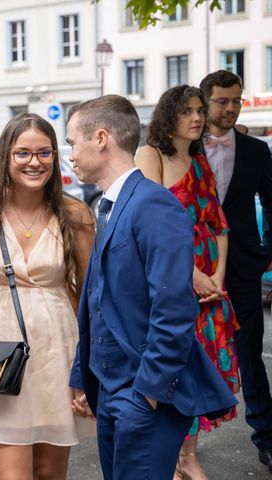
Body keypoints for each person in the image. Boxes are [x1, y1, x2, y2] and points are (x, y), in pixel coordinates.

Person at [67, 95, 237, 480]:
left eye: (73, 142)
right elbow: (98, 299)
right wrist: (82, 376)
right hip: (110, 389)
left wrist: (147, 394)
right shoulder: (109, 204)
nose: (71, 154)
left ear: (101, 138)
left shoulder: (154, 204)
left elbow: (174, 309)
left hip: (143, 394)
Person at [0, 113, 96, 479]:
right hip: (1, 358)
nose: (34, 162)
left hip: (58, 355)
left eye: (44, 153)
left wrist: (89, 360)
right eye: (23, 153)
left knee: (50, 473)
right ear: (6, 157)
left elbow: (92, 293)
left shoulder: (74, 213)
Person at [135, 85, 240, 480]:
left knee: (202, 365)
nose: (197, 117)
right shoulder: (151, 156)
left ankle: (187, 456)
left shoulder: (200, 161)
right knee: (173, 362)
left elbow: (220, 226)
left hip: (208, 285)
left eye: (200, 110)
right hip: (171, 279)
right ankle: (178, 459)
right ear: (168, 115)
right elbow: (152, 226)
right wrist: (192, 275)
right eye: (187, 111)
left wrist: (216, 276)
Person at [200, 70, 272, 471]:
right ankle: (182, 440)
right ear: (205, 101)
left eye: (235, 101)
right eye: (221, 101)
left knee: (249, 354)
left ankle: (266, 436)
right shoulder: (185, 148)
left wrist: (267, 253)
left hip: (244, 265)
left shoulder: (257, 150)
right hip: (191, 266)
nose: (229, 108)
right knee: (190, 349)